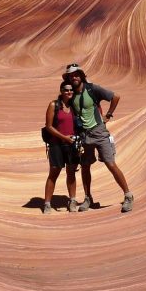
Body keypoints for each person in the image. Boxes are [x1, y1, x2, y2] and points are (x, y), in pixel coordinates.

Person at [63, 63, 134, 213]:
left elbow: (115, 97)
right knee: (85, 167)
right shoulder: (71, 94)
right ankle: (88, 198)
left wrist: (108, 115)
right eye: (71, 75)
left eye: (76, 74)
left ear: (81, 75)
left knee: (110, 163)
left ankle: (128, 195)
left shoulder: (92, 89)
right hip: (84, 135)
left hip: (99, 132)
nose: (74, 77)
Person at [43, 81, 80, 214]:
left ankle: (72, 201)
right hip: (56, 144)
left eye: (71, 90)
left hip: (71, 144)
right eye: (66, 90)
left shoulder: (74, 106)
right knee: (54, 173)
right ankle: (47, 203)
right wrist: (64, 138)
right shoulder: (54, 105)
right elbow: (49, 126)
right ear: (61, 91)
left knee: (71, 173)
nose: (69, 92)